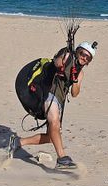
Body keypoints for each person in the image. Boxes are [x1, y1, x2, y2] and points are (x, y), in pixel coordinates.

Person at [8, 41, 96, 169]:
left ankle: (17, 142)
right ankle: (61, 159)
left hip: (59, 100)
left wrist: (75, 78)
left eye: (88, 57)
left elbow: (75, 93)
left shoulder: (80, 73)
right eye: (83, 54)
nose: (84, 58)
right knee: (55, 123)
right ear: (78, 51)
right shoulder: (67, 56)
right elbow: (57, 62)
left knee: (51, 137)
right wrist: (64, 58)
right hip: (49, 91)